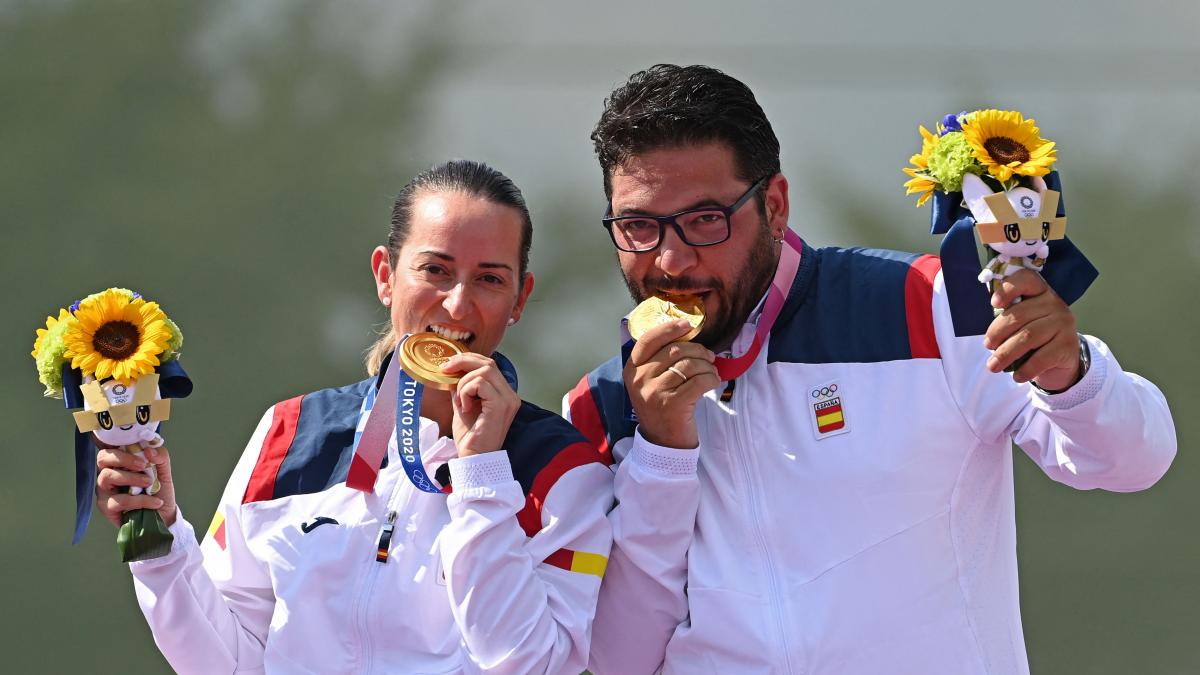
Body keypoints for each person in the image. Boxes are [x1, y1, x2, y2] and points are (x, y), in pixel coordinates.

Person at [565, 64, 1177, 674]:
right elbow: (619, 660)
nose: (671, 260)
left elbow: (1133, 460)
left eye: (704, 220)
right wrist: (662, 455)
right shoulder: (603, 405)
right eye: (639, 227)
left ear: (774, 206)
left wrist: (1072, 375)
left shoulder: (928, 306)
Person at [95, 160, 614, 674]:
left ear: (519, 299)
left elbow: (532, 664)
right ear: (386, 277)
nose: (457, 306)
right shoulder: (291, 430)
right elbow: (228, 661)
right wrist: (162, 544)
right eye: (435, 270)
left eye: (489, 279)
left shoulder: (566, 471)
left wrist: (482, 477)